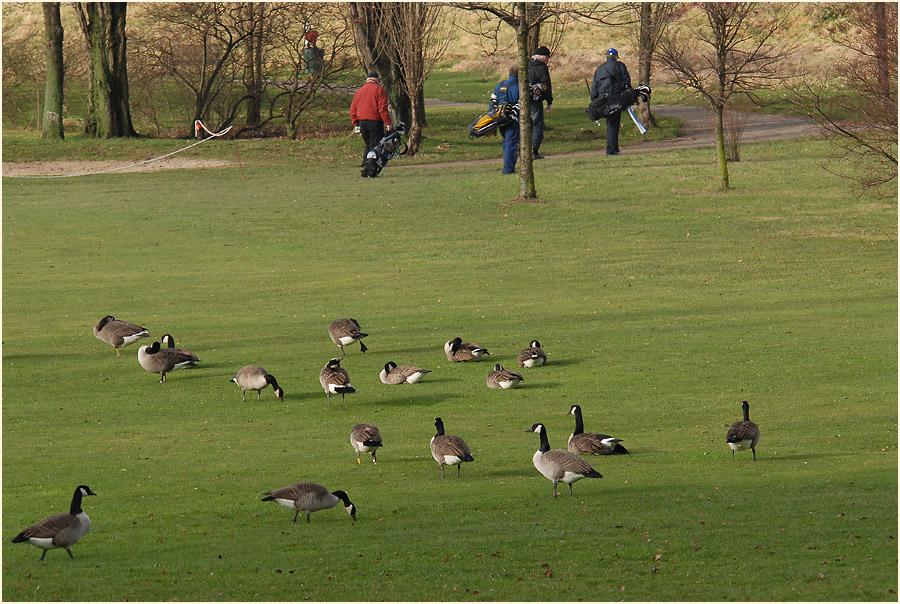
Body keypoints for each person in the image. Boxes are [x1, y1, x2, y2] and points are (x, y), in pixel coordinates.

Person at [350, 70, 392, 177]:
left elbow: (353, 109)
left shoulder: (359, 91)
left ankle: (365, 165)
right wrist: (388, 123)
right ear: (377, 80)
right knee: (375, 146)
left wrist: (356, 123)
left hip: (362, 122)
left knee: (368, 144)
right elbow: (382, 109)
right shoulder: (379, 90)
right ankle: (370, 168)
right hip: (375, 121)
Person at [591, 48, 631, 155]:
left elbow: (594, 87)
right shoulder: (620, 66)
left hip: (602, 100)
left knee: (610, 122)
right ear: (616, 57)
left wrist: (594, 102)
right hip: (615, 98)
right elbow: (627, 82)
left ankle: (614, 148)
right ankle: (611, 149)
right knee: (613, 124)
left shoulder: (599, 69)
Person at [492, 65, 520, 175]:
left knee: (506, 142)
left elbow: (493, 101)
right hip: (512, 119)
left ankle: (508, 164)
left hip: (500, 118)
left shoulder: (500, 85)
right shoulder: (519, 87)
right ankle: (508, 169)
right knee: (511, 143)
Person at [527, 46, 553, 159]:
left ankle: (523, 148)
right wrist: (549, 102)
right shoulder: (541, 68)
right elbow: (546, 86)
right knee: (537, 124)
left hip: (523, 99)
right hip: (535, 100)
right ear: (542, 56)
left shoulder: (526, 64)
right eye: (547, 57)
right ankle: (535, 150)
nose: (547, 60)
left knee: (525, 124)